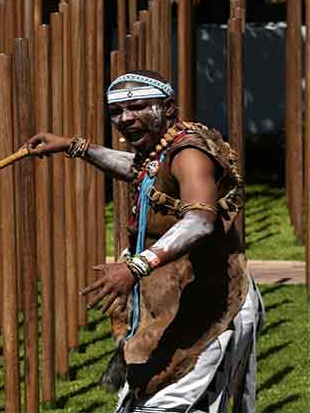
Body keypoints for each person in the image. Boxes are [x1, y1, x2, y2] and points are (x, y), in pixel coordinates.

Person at [26, 70, 264, 413]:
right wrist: (75, 147)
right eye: (117, 112)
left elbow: (200, 220)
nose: (125, 119)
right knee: (150, 394)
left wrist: (135, 267)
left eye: (137, 107)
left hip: (210, 301)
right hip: (177, 298)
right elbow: (144, 172)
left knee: (168, 402)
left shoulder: (189, 154)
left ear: (167, 108)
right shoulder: (162, 151)